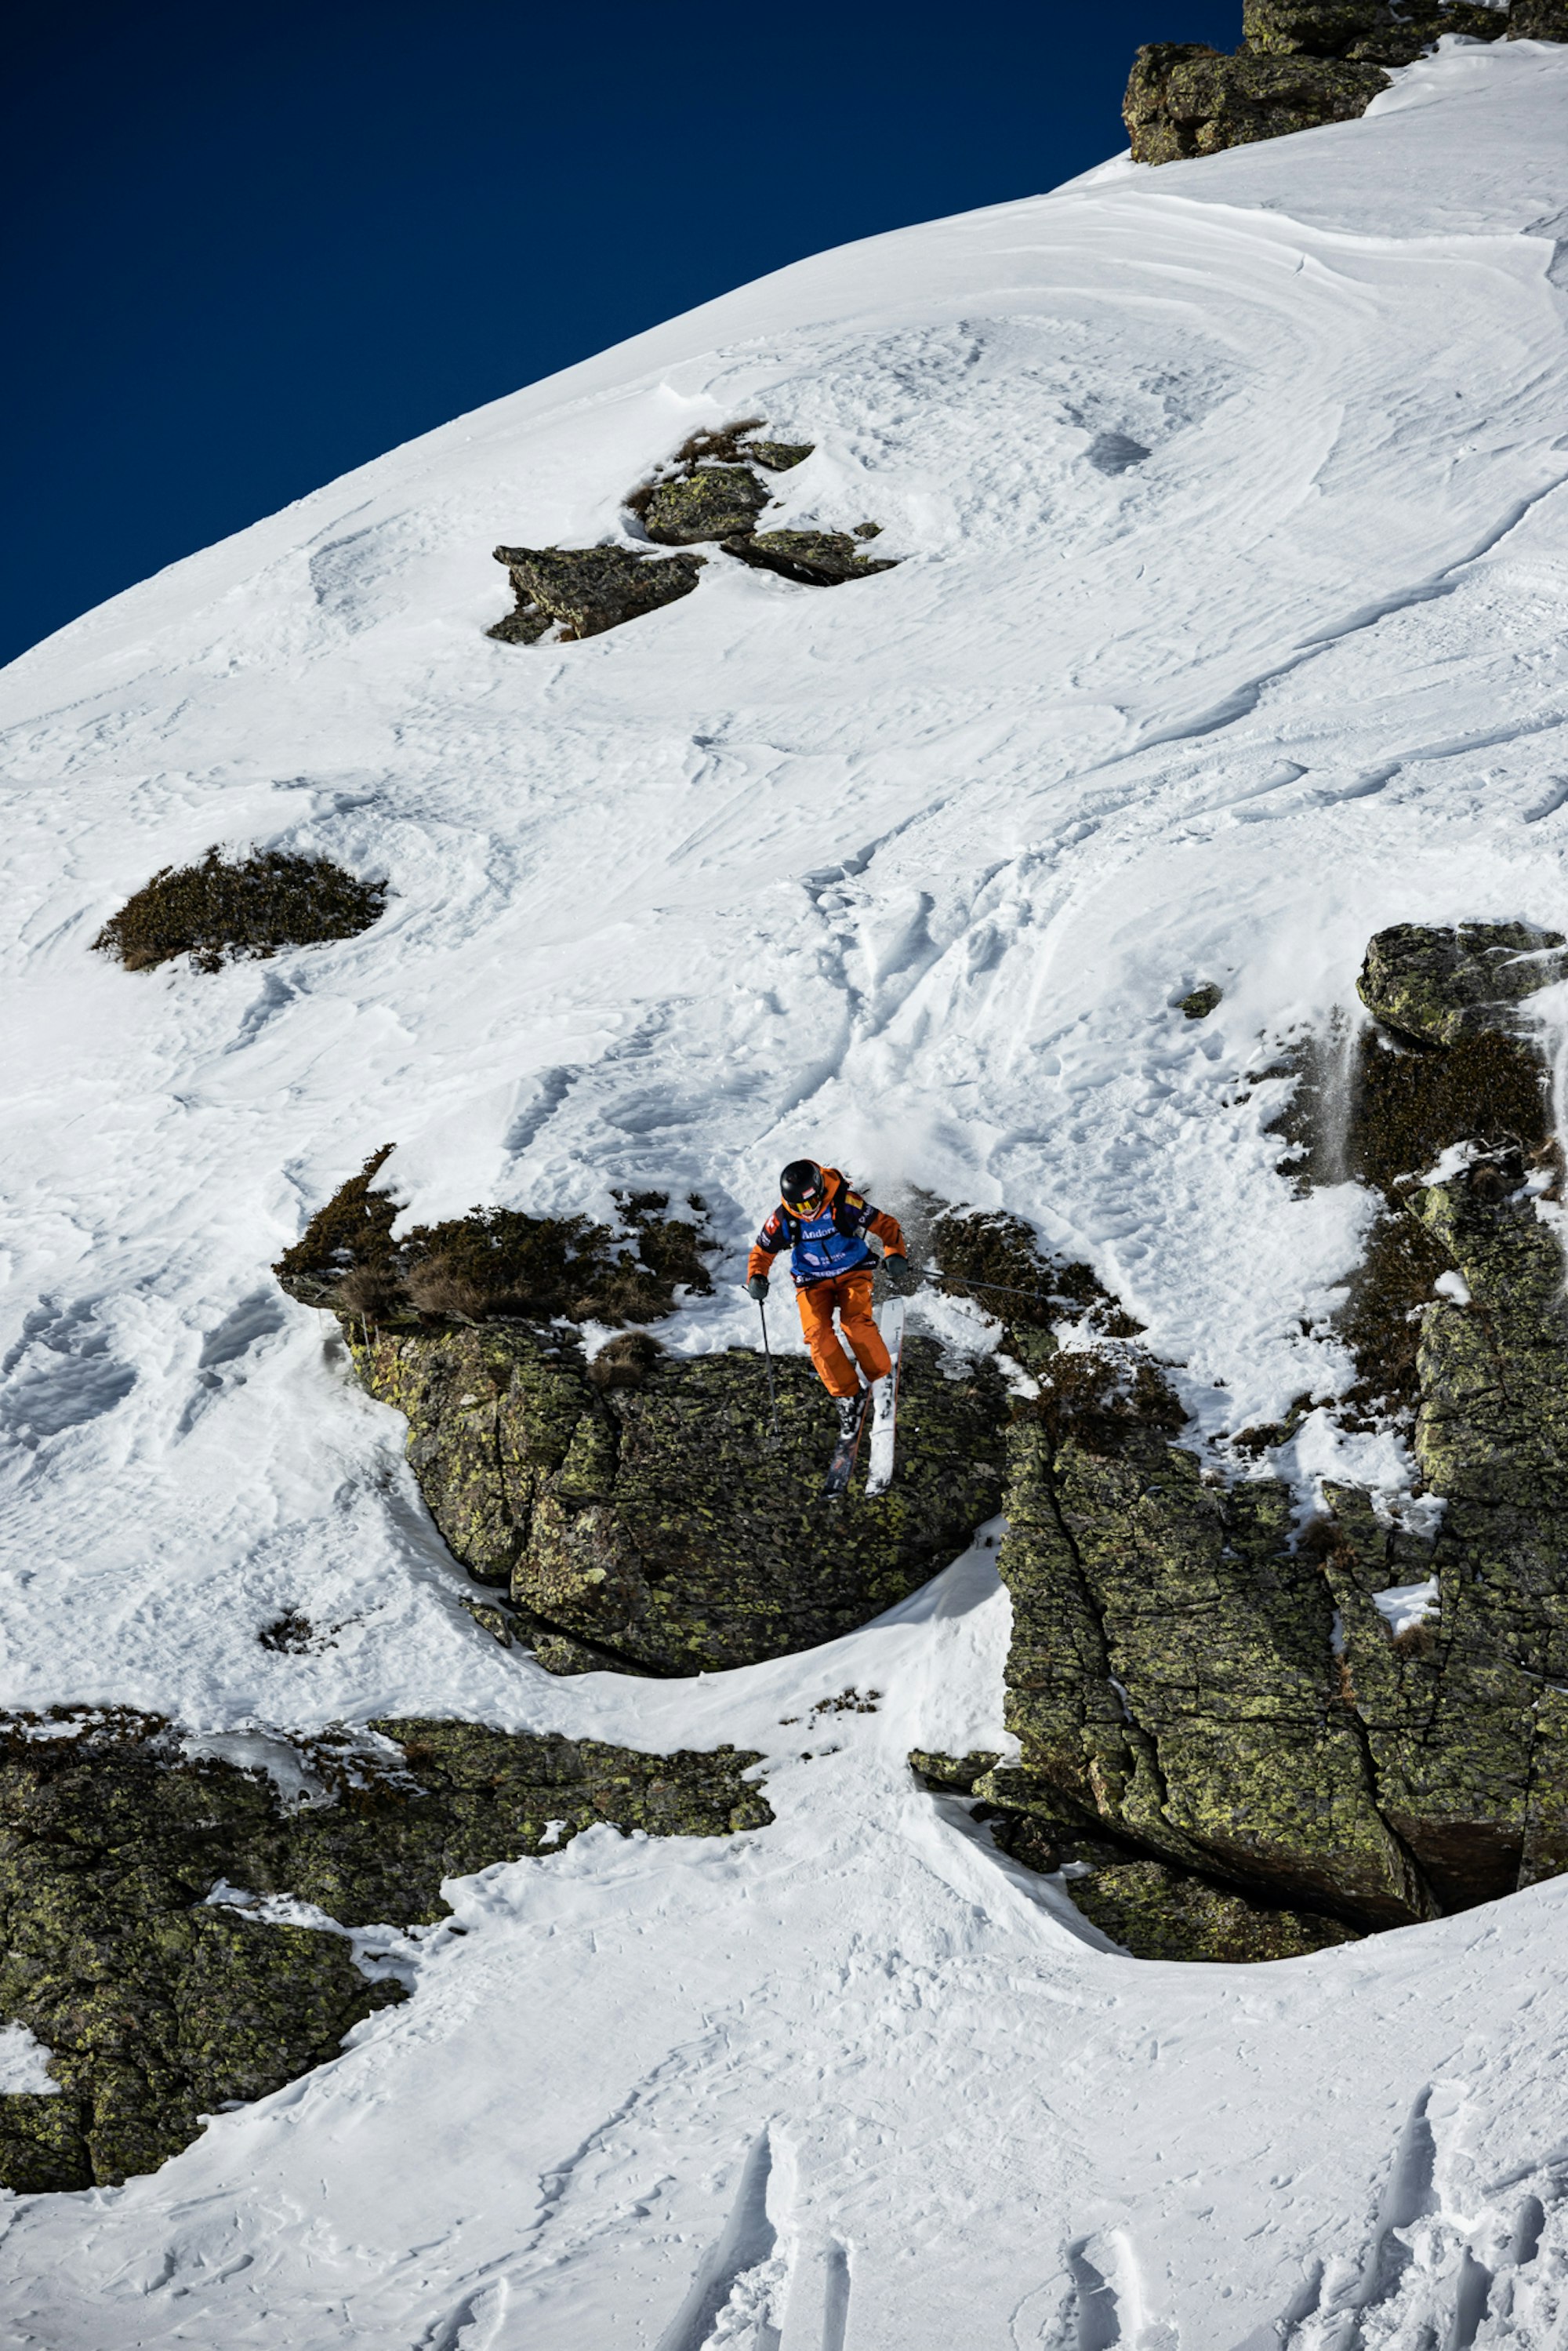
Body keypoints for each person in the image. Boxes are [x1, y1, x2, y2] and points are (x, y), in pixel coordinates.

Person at [746, 1161, 918, 1437]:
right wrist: (756, 1276)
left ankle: (882, 1375)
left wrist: (895, 1254)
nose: (808, 1211)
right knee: (817, 1335)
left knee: (855, 1324)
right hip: (812, 1282)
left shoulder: (844, 1203)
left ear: (820, 1190)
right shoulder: (784, 1219)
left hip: (853, 1272)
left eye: (811, 1202)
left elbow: (885, 1225)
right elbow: (761, 1252)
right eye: (799, 1207)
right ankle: (848, 1395)